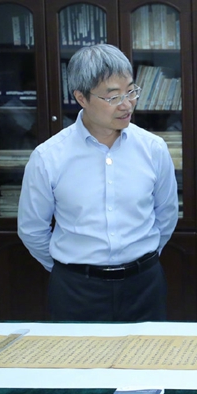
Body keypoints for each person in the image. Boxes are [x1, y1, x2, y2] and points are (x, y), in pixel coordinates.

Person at [18, 44, 179, 321]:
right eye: (113, 97)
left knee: (148, 350)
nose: (126, 104)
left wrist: (141, 260)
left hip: (143, 285)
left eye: (131, 91)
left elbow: (166, 215)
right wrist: (73, 270)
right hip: (76, 290)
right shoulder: (48, 157)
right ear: (81, 97)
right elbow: (32, 229)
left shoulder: (153, 148)